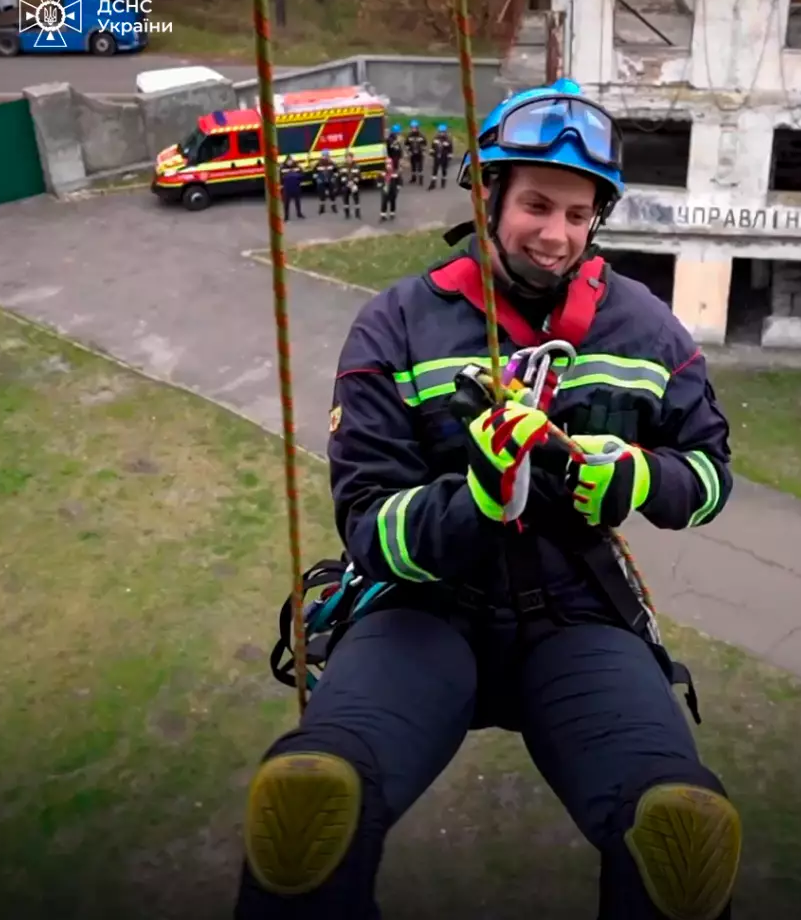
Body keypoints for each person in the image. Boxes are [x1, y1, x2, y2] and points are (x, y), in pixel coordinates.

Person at [235, 78, 743, 920]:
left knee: (679, 828)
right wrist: (477, 497)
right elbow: (368, 528)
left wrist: (635, 477)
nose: (557, 236)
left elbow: (712, 475)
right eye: (538, 205)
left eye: (579, 216)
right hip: (426, 609)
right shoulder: (398, 325)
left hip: (576, 615)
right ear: (487, 193)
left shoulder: (646, 330)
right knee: (316, 794)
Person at [429, 122, 453, 189]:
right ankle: (433, 183)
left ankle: (443, 181)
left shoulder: (448, 140)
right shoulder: (435, 139)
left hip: (444, 157)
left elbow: (450, 149)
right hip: (436, 156)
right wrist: (431, 153)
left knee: (444, 170)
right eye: (440, 132)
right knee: (434, 169)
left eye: (443, 132)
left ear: (445, 132)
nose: (441, 133)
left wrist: (450, 156)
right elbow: (432, 147)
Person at [280, 155, 306, 220]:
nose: (289, 162)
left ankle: (299, 214)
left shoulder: (297, 167)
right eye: (288, 161)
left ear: (292, 160)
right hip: (287, 188)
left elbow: (302, 175)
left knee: (297, 202)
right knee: (286, 203)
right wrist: (281, 184)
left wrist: (298, 180)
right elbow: (279, 177)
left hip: (296, 187)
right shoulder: (282, 168)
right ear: (286, 161)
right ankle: (286, 216)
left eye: (290, 160)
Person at [339, 151, 363, 220]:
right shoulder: (342, 166)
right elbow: (341, 177)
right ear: (345, 158)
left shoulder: (357, 166)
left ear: (352, 158)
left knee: (356, 200)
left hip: (354, 185)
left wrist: (353, 182)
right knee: (345, 200)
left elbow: (359, 176)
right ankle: (347, 214)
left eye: (350, 158)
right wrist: (347, 182)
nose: (348, 159)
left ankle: (357, 214)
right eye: (347, 158)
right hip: (346, 185)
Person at [313, 151, 338, 215]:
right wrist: (317, 179)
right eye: (324, 155)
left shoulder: (332, 163)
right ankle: (322, 208)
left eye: (326, 155)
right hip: (321, 181)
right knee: (322, 195)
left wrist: (334, 178)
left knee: (332, 194)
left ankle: (333, 207)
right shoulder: (318, 164)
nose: (325, 157)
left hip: (330, 181)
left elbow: (336, 171)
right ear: (322, 156)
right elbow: (314, 173)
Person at [402, 119, 426, 184]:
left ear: (418, 128)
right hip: (412, 153)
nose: (413, 129)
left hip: (420, 153)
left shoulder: (421, 136)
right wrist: (408, 152)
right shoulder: (409, 136)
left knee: (420, 167)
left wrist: (423, 151)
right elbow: (406, 145)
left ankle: (421, 179)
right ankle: (413, 178)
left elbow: (424, 144)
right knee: (413, 166)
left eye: (415, 128)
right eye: (412, 128)